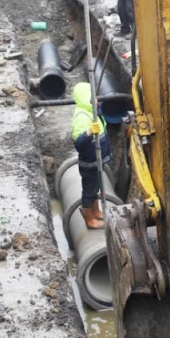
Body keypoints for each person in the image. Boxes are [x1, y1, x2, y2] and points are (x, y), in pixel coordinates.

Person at [70, 82, 106, 229]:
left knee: (96, 187)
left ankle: (96, 211)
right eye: (93, 97)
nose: (96, 100)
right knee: (89, 190)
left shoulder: (92, 111)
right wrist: (89, 133)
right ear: (85, 98)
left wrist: (97, 108)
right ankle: (89, 218)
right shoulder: (82, 116)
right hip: (89, 162)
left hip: (97, 159)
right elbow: (79, 144)